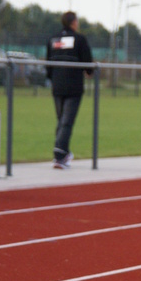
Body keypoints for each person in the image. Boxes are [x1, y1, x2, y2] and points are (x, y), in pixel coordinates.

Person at [46, 11, 93, 169]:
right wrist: (89, 72)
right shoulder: (79, 39)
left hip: (57, 87)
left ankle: (63, 153)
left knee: (62, 121)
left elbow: (48, 66)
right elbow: (88, 63)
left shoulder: (53, 39)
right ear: (73, 22)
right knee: (66, 122)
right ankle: (59, 156)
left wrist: (53, 79)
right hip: (73, 88)